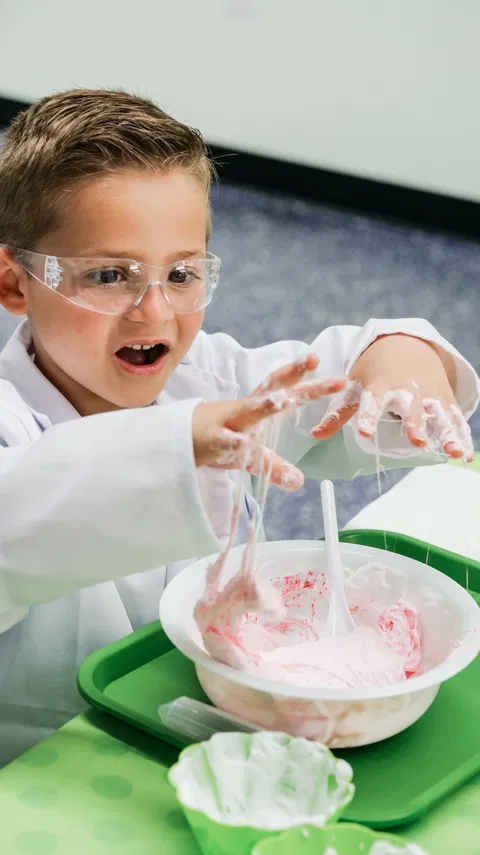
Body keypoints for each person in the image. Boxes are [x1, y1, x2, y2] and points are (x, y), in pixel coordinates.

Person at [0, 89, 477, 765]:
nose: (153, 312)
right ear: (15, 284)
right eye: (108, 274)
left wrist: (398, 356)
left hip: (199, 715)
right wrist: (177, 441)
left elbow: (328, 384)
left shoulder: (210, 375)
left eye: (184, 272)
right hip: (49, 759)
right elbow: (18, 518)